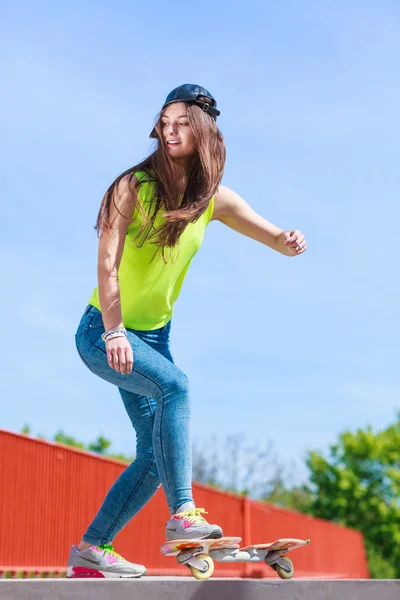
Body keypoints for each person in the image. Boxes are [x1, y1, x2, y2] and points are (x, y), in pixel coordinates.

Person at [67, 84, 307, 579]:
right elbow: (107, 267)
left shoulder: (212, 199)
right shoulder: (131, 186)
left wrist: (287, 240)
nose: (170, 131)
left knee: (155, 456)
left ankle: (91, 550)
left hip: (154, 338)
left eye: (181, 123)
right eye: (164, 122)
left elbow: (271, 236)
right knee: (177, 386)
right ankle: (184, 514)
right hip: (103, 332)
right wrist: (114, 333)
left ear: (202, 133)